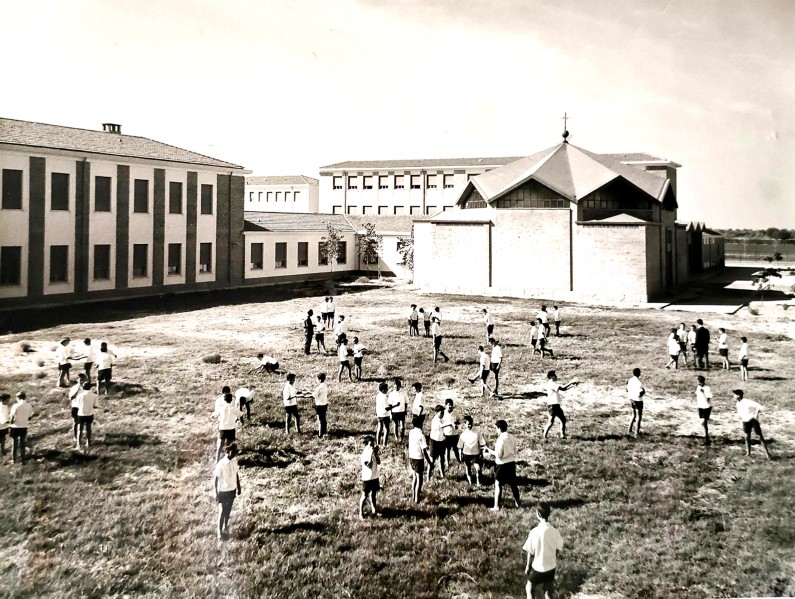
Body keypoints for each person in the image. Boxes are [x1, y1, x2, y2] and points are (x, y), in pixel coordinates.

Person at [523, 502, 564, 599]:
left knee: (529, 588)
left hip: (538, 567)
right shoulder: (555, 531)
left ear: (538, 514)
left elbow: (530, 551)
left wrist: (528, 566)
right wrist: (553, 558)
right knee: (548, 591)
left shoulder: (534, 532)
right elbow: (558, 548)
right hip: (551, 567)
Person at [484, 419, 520, 510]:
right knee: (513, 484)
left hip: (502, 465)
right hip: (511, 463)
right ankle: (518, 503)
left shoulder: (500, 439)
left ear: (499, 428)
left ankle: (496, 506)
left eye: (496, 428)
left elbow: (499, 455)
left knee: (498, 484)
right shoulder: (511, 437)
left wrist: (489, 451)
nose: (496, 430)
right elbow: (515, 451)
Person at [213, 442, 241, 540]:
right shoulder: (221, 464)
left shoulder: (234, 461)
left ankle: (225, 526)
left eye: (235, 453)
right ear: (228, 451)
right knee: (222, 512)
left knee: (228, 510)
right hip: (223, 491)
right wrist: (215, 493)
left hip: (232, 490)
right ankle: (219, 532)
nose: (234, 454)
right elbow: (215, 479)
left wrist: (239, 487)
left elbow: (236, 474)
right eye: (232, 452)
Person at [734, 389, 771, 459]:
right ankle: (748, 453)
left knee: (759, 436)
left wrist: (756, 414)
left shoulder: (747, 402)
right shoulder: (737, 403)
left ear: (738, 396)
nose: (733, 396)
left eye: (735, 395)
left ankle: (767, 454)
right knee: (747, 437)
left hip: (753, 420)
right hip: (745, 421)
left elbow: (760, 406)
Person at [543, 371, 578, 439]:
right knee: (551, 422)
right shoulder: (551, 383)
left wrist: (572, 385)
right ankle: (545, 436)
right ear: (551, 377)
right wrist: (572, 381)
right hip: (553, 405)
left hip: (554, 405)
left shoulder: (551, 383)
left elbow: (563, 389)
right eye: (555, 375)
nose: (556, 377)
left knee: (562, 420)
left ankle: (562, 436)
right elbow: (563, 388)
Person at [407, 416, 433, 502]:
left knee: (415, 477)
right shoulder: (421, 436)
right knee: (419, 479)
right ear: (421, 424)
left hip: (411, 457)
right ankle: (417, 498)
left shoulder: (411, 432)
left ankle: (414, 496)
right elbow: (424, 451)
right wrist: (430, 462)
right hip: (418, 458)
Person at [212, 392, 242, 461]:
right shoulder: (233, 408)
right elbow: (240, 414)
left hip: (222, 428)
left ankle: (217, 459)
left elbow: (215, 414)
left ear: (224, 400)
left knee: (220, 444)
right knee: (229, 444)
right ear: (231, 400)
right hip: (231, 428)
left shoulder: (221, 408)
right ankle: (228, 458)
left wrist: (212, 415)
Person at [457, 415, 486, 486]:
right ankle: (470, 482)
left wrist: (482, 453)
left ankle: (478, 482)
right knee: (468, 468)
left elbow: (482, 443)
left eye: (470, 424)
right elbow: (460, 447)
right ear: (465, 424)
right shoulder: (463, 435)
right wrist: (460, 456)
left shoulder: (477, 432)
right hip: (466, 454)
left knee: (478, 468)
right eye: (468, 424)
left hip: (476, 453)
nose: (469, 425)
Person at [359, 436, 380, 519]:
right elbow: (369, 465)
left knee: (373, 494)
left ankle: (374, 510)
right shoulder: (364, 455)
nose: (372, 446)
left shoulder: (373, 453)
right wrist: (372, 454)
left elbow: (378, 462)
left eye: (373, 444)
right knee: (364, 495)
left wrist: (376, 454)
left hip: (374, 476)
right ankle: (361, 513)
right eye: (370, 444)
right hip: (367, 478)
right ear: (366, 445)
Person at [9, 391, 34, 464]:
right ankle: (23, 460)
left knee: (14, 444)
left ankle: (14, 460)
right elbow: (30, 416)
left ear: (18, 398)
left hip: (15, 426)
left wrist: (10, 423)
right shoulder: (29, 405)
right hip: (24, 426)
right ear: (25, 397)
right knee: (22, 443)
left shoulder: (15, 406)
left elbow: (12, 417)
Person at [75, 382, 99, 451]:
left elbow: (77, 405)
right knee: (89, 428)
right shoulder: (94, 395)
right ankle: (88, 442)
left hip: (81, 413)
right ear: (90, 387)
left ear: (83, 387)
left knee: (80, 429)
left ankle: (78, 444)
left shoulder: (79, 395)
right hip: (89, 413)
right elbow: (95, 406)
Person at [427, 405, 447, 479]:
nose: (442, 414)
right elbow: (444, 426)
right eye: (441, 413)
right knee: (432, 460)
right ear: (436, 412)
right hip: (434, 442)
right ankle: (428, 477)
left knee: (442, 459)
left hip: (441, 441)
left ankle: (442, 474)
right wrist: (452, 424)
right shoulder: (435, 420)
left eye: (443, 413)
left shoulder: (441, 419)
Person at [68, 373, 88, 444]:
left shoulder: (86, 387)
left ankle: (83, 437)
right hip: (76, 406)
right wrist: (77, 389)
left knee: (84, 423)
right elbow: (71, 397)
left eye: (83, 379)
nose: (81, 381)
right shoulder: (74, 388)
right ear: (77, 380)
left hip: (84, 406)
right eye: (80, 379)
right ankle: (75, 437)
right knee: (75, 422)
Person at [442, 398, 461, 469]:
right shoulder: (443, 413)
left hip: (454, 434)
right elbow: (441, 424)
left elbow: (459, 421)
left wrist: (456, 424)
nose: (450, 406)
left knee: (456, 449)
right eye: (449, 405)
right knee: (447, 449)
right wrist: (450, 424)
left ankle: (459, 461)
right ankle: (447, 463)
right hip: (447, 434)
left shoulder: (455, 413)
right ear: (445, 405)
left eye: (451, 405)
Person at [627, 367, 645, 437]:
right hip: (638, 400)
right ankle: (636, 433)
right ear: (639, 373)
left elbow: (627, 389)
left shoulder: (630, 380)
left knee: (633, 414)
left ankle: (629, 429)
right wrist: (643, 391)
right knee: (639, 416)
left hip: (631, 398)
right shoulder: (639, 382)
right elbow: (640, 393)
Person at [695, 375, 713, 445]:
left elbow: (709, 397)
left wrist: (704, 393)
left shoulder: (707, 388)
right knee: (703, 423)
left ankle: (706, 437)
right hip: (700, 406)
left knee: (703, 422)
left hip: (706, 407)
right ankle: (706, 437)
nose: (698, 384)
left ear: (702, 382)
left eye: (699, 382)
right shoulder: (698, 387)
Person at [375, 382, 392, 446]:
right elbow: (386, 408)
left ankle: (378, 443)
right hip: (385, 415)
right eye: (386, 389)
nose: (387, 390)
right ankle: (384, 444)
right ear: (383, 390)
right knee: (387, 429)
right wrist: (393, 406)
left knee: (379, 428)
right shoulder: (384, 396)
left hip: (379, 414)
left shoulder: (378, 395)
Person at [312, 373, 328, 438]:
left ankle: (320, 434)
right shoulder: (325, 385)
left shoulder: (319, 387)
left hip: (319, 405)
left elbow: (314, 395)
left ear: (319, 379)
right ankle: (324, 431)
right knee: (323, 418)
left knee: (320, 420)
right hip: (324, 404)